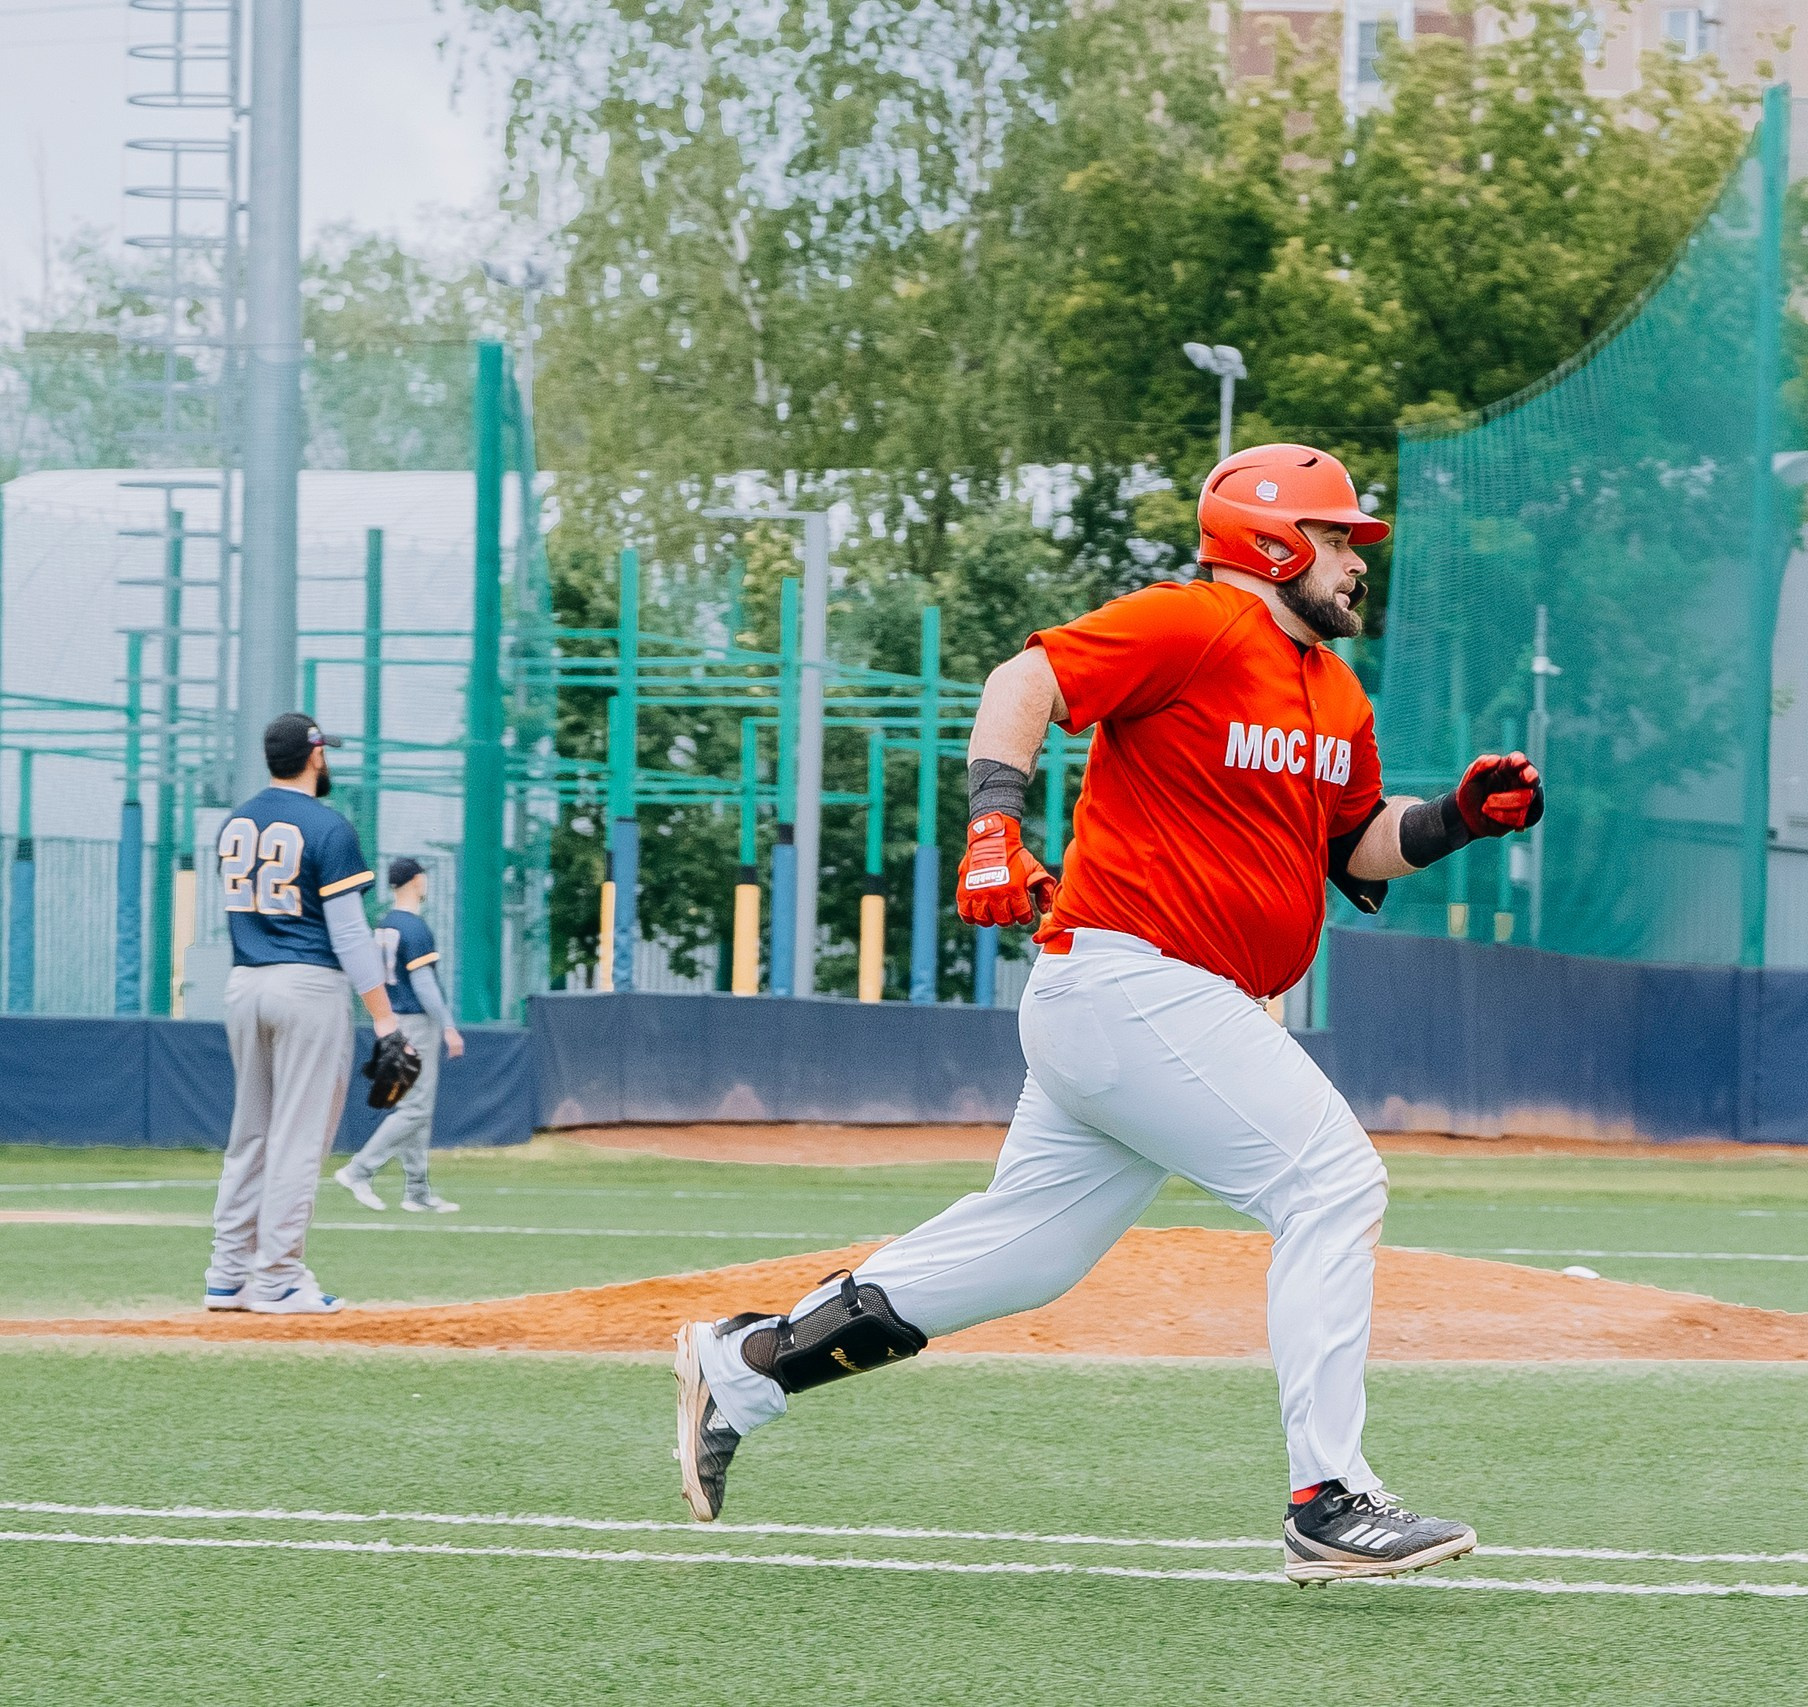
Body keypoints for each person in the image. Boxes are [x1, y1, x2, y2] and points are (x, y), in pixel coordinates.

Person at [672, 444, 1545, 1584]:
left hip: (1166, 1007)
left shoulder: (1333, 689)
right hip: (1135, 978)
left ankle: (746, 1364)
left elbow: (1355, 841)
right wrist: (993, 821)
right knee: (1332, 1181)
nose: (1354, 560)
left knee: (1025, 1257)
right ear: (1272, 543)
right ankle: (1330, 1497)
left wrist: (1455, 823)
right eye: (1336, 537)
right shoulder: (1192, 624)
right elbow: (1020, 683)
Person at [203, 712, 411, 1315]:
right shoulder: (328, 826)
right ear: (315, 755)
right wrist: (385, 1018)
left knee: (251, 1136)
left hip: (245, 982)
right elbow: (349, 934)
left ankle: (227, 1273)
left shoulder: (235, 822)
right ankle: (276, 1279)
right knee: (297, 1140)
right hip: (308, 987)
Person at [334, 856, 466, 1214]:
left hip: (392, 1019)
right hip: (415, 1022)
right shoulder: (414, 928)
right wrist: (449, 1026)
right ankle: (359, 1169)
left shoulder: (385, 924)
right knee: (416, 1108)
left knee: (414, 1108)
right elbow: (424, 984)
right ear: (415, 881)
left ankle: (417, 1190)